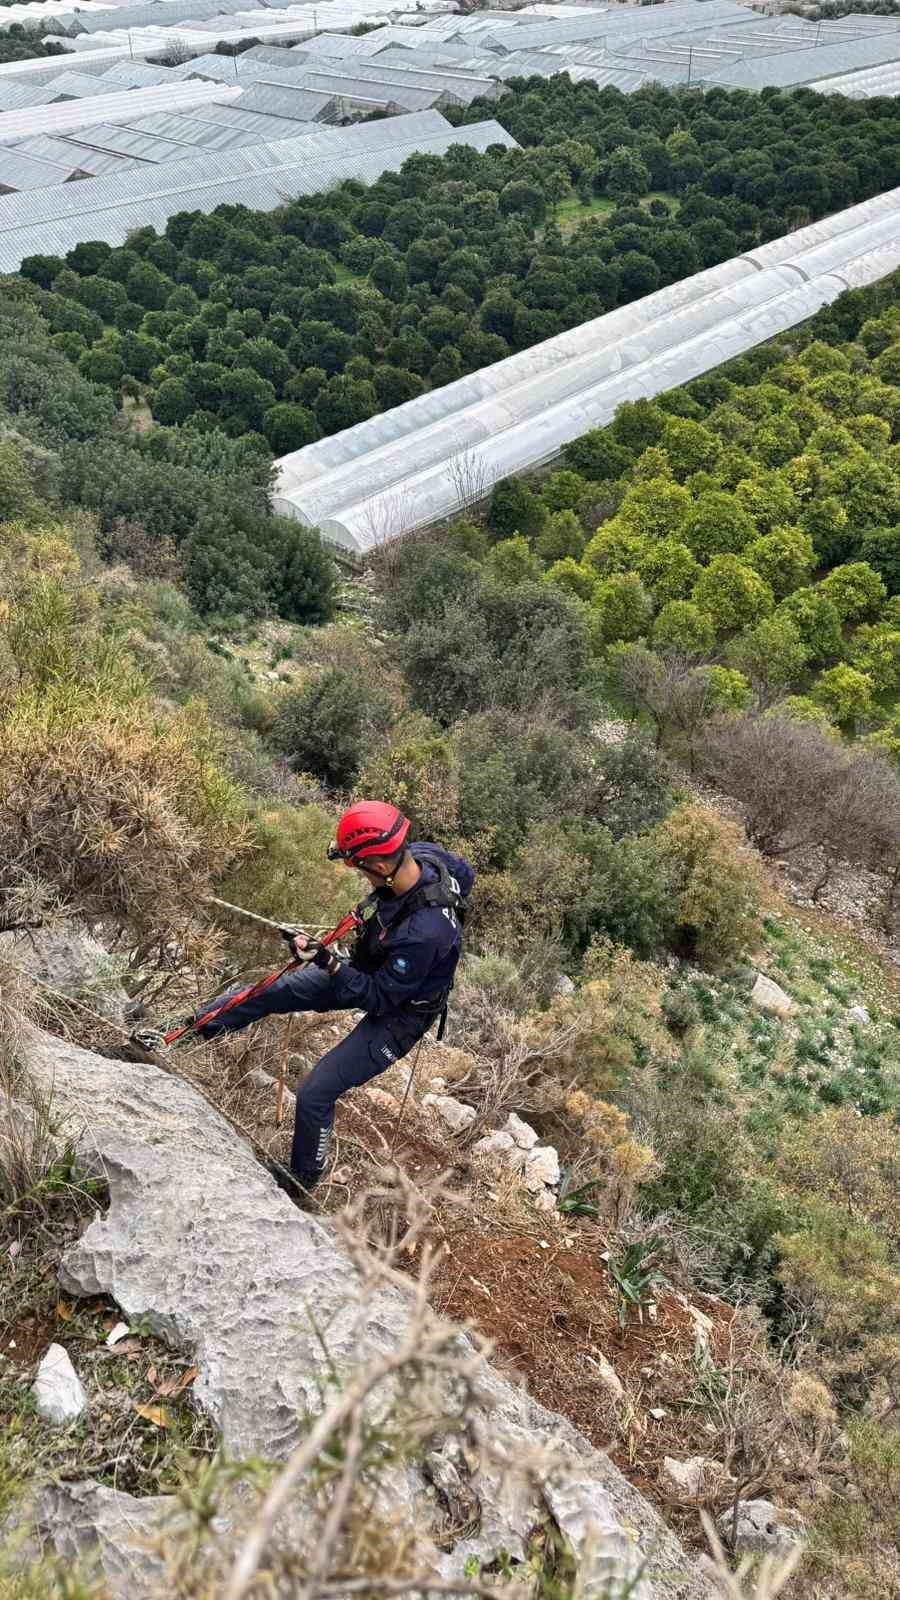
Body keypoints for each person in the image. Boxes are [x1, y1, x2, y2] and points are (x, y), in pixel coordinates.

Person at [162, 803, 475, 1202]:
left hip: (398, 1015)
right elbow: (465, 873)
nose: (357, 874)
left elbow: (378, 998)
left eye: (358, 867)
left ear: (380, 865)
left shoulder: (426, 933)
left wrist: (327, 962)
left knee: (316, 1092)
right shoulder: (426, 857)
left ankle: (301, 1182)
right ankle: (184, 1032)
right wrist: (326, 958)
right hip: (365, 971)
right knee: (274, 991)